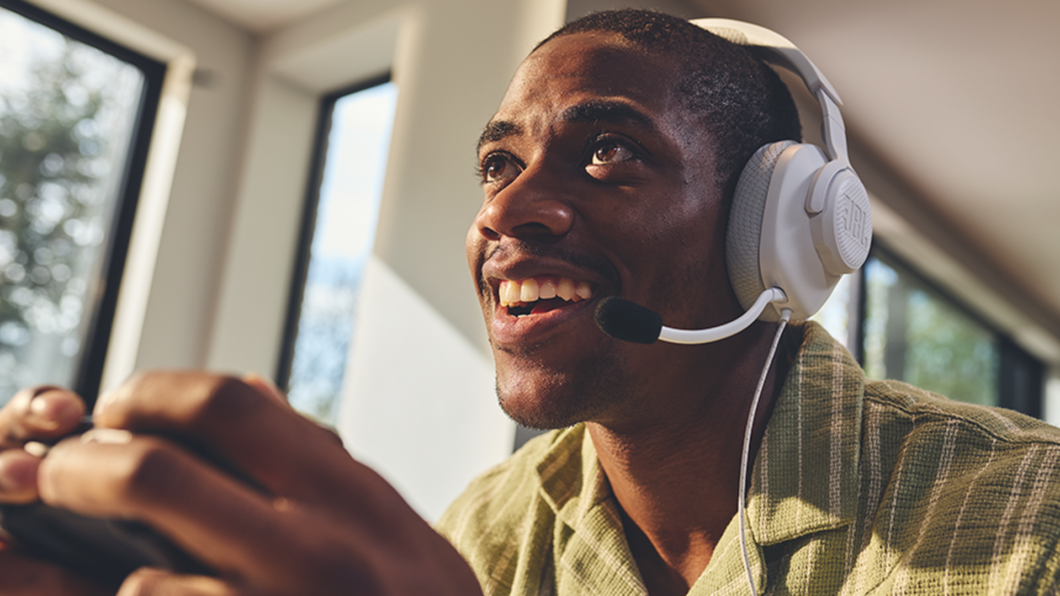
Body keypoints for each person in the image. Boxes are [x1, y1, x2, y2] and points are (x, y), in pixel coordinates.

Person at [0, 8, 1058, 595]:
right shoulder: (479, 540)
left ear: (776, 227)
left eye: (609, 152)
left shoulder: (1029, 516)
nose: (507, 211)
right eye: (498, 166)